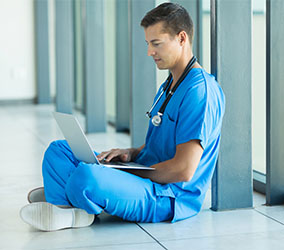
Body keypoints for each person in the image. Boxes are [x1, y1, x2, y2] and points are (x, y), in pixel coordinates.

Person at [20, 2, 225, 231]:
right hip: (145, 175)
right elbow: (160, 144)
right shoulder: (169, 86)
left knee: (88, 176)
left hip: (169, 195)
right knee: (58, 151)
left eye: (156, 44)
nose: (149, 52)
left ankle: (66, 202)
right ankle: (70, 205)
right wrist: (131, 153)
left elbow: (183, 169)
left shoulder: (200, 91)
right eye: (148, 44)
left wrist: (129, 172)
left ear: (181, 38)